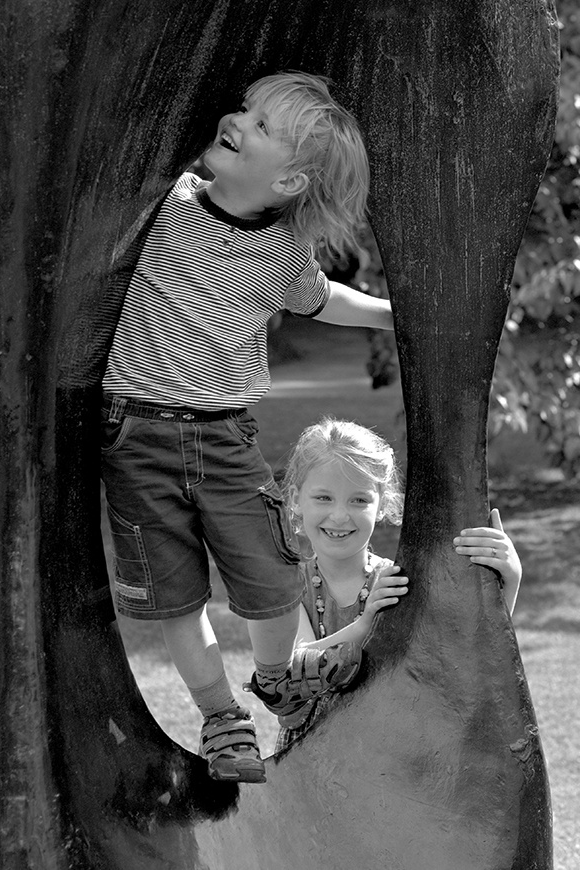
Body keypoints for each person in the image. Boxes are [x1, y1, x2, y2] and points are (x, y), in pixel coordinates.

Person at [100, 72, 394, 784]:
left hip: (224, 435)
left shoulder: (283, 251)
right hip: (135, 435)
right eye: (245, 111)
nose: (237, 120)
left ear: (290, 178)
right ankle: (219, 719)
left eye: (263, 126)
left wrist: (390, 315)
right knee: (175, 596)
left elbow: (321, 301)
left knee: (270, 580)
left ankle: (279, 681)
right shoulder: (161, 205)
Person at [275, 417, 523, 750]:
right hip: (309, 756)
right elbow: (291, 666)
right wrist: (367, 625)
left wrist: (509, 581)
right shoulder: (288, 586)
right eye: (323, 498)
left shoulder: (398, 582)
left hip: (390, 758)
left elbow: (462, 659)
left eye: (359, 500)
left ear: (382, 504)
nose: (339, 515)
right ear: (295, 498)